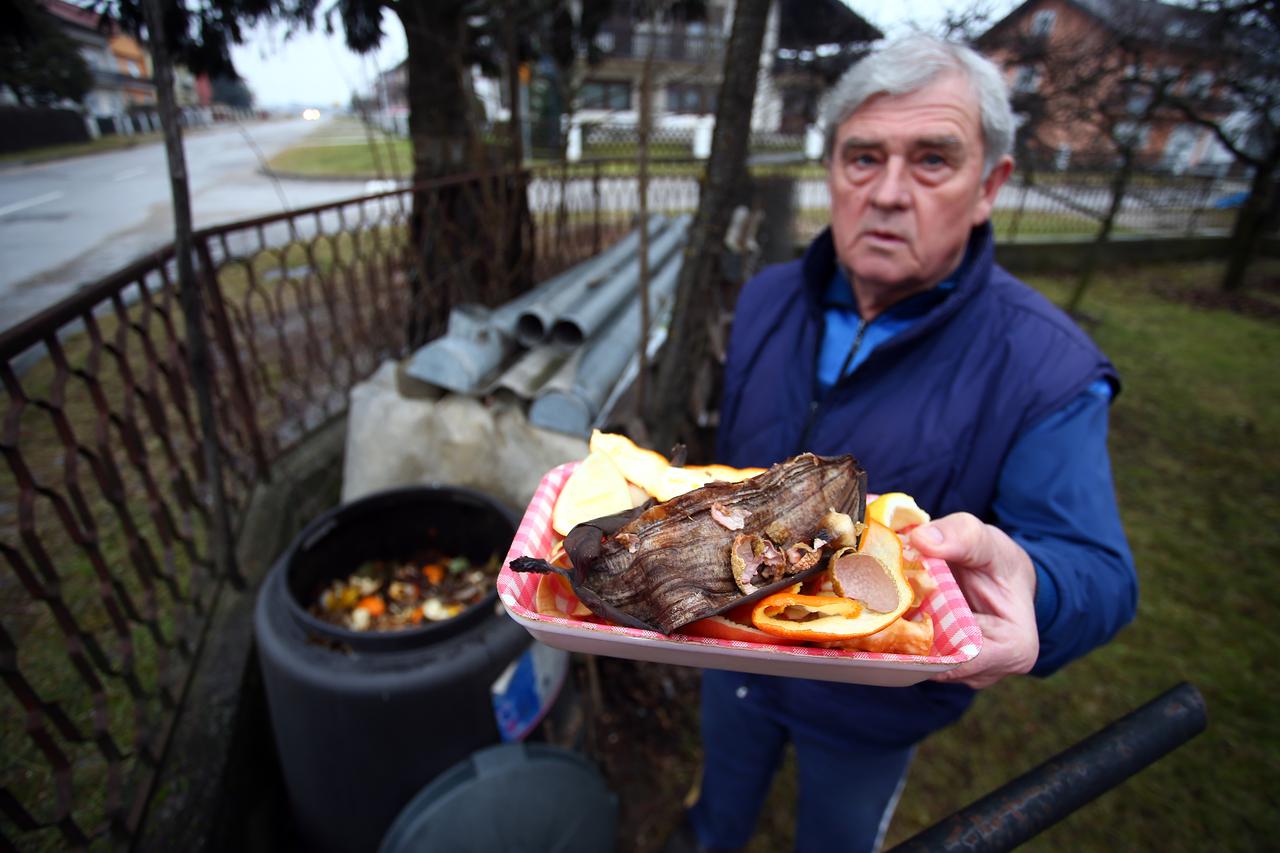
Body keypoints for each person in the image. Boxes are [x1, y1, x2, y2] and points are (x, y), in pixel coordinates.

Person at [673, 35, 1139, 853]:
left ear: (989, 184)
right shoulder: (767, 299)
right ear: (832, 172)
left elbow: (1098, 570)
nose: (888, 193)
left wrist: (1037, 584)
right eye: (863, 157)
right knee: (720, 812)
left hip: (874, 704)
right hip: (734, 652)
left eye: (932, 160)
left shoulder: (1046, 367)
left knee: (839, 837)